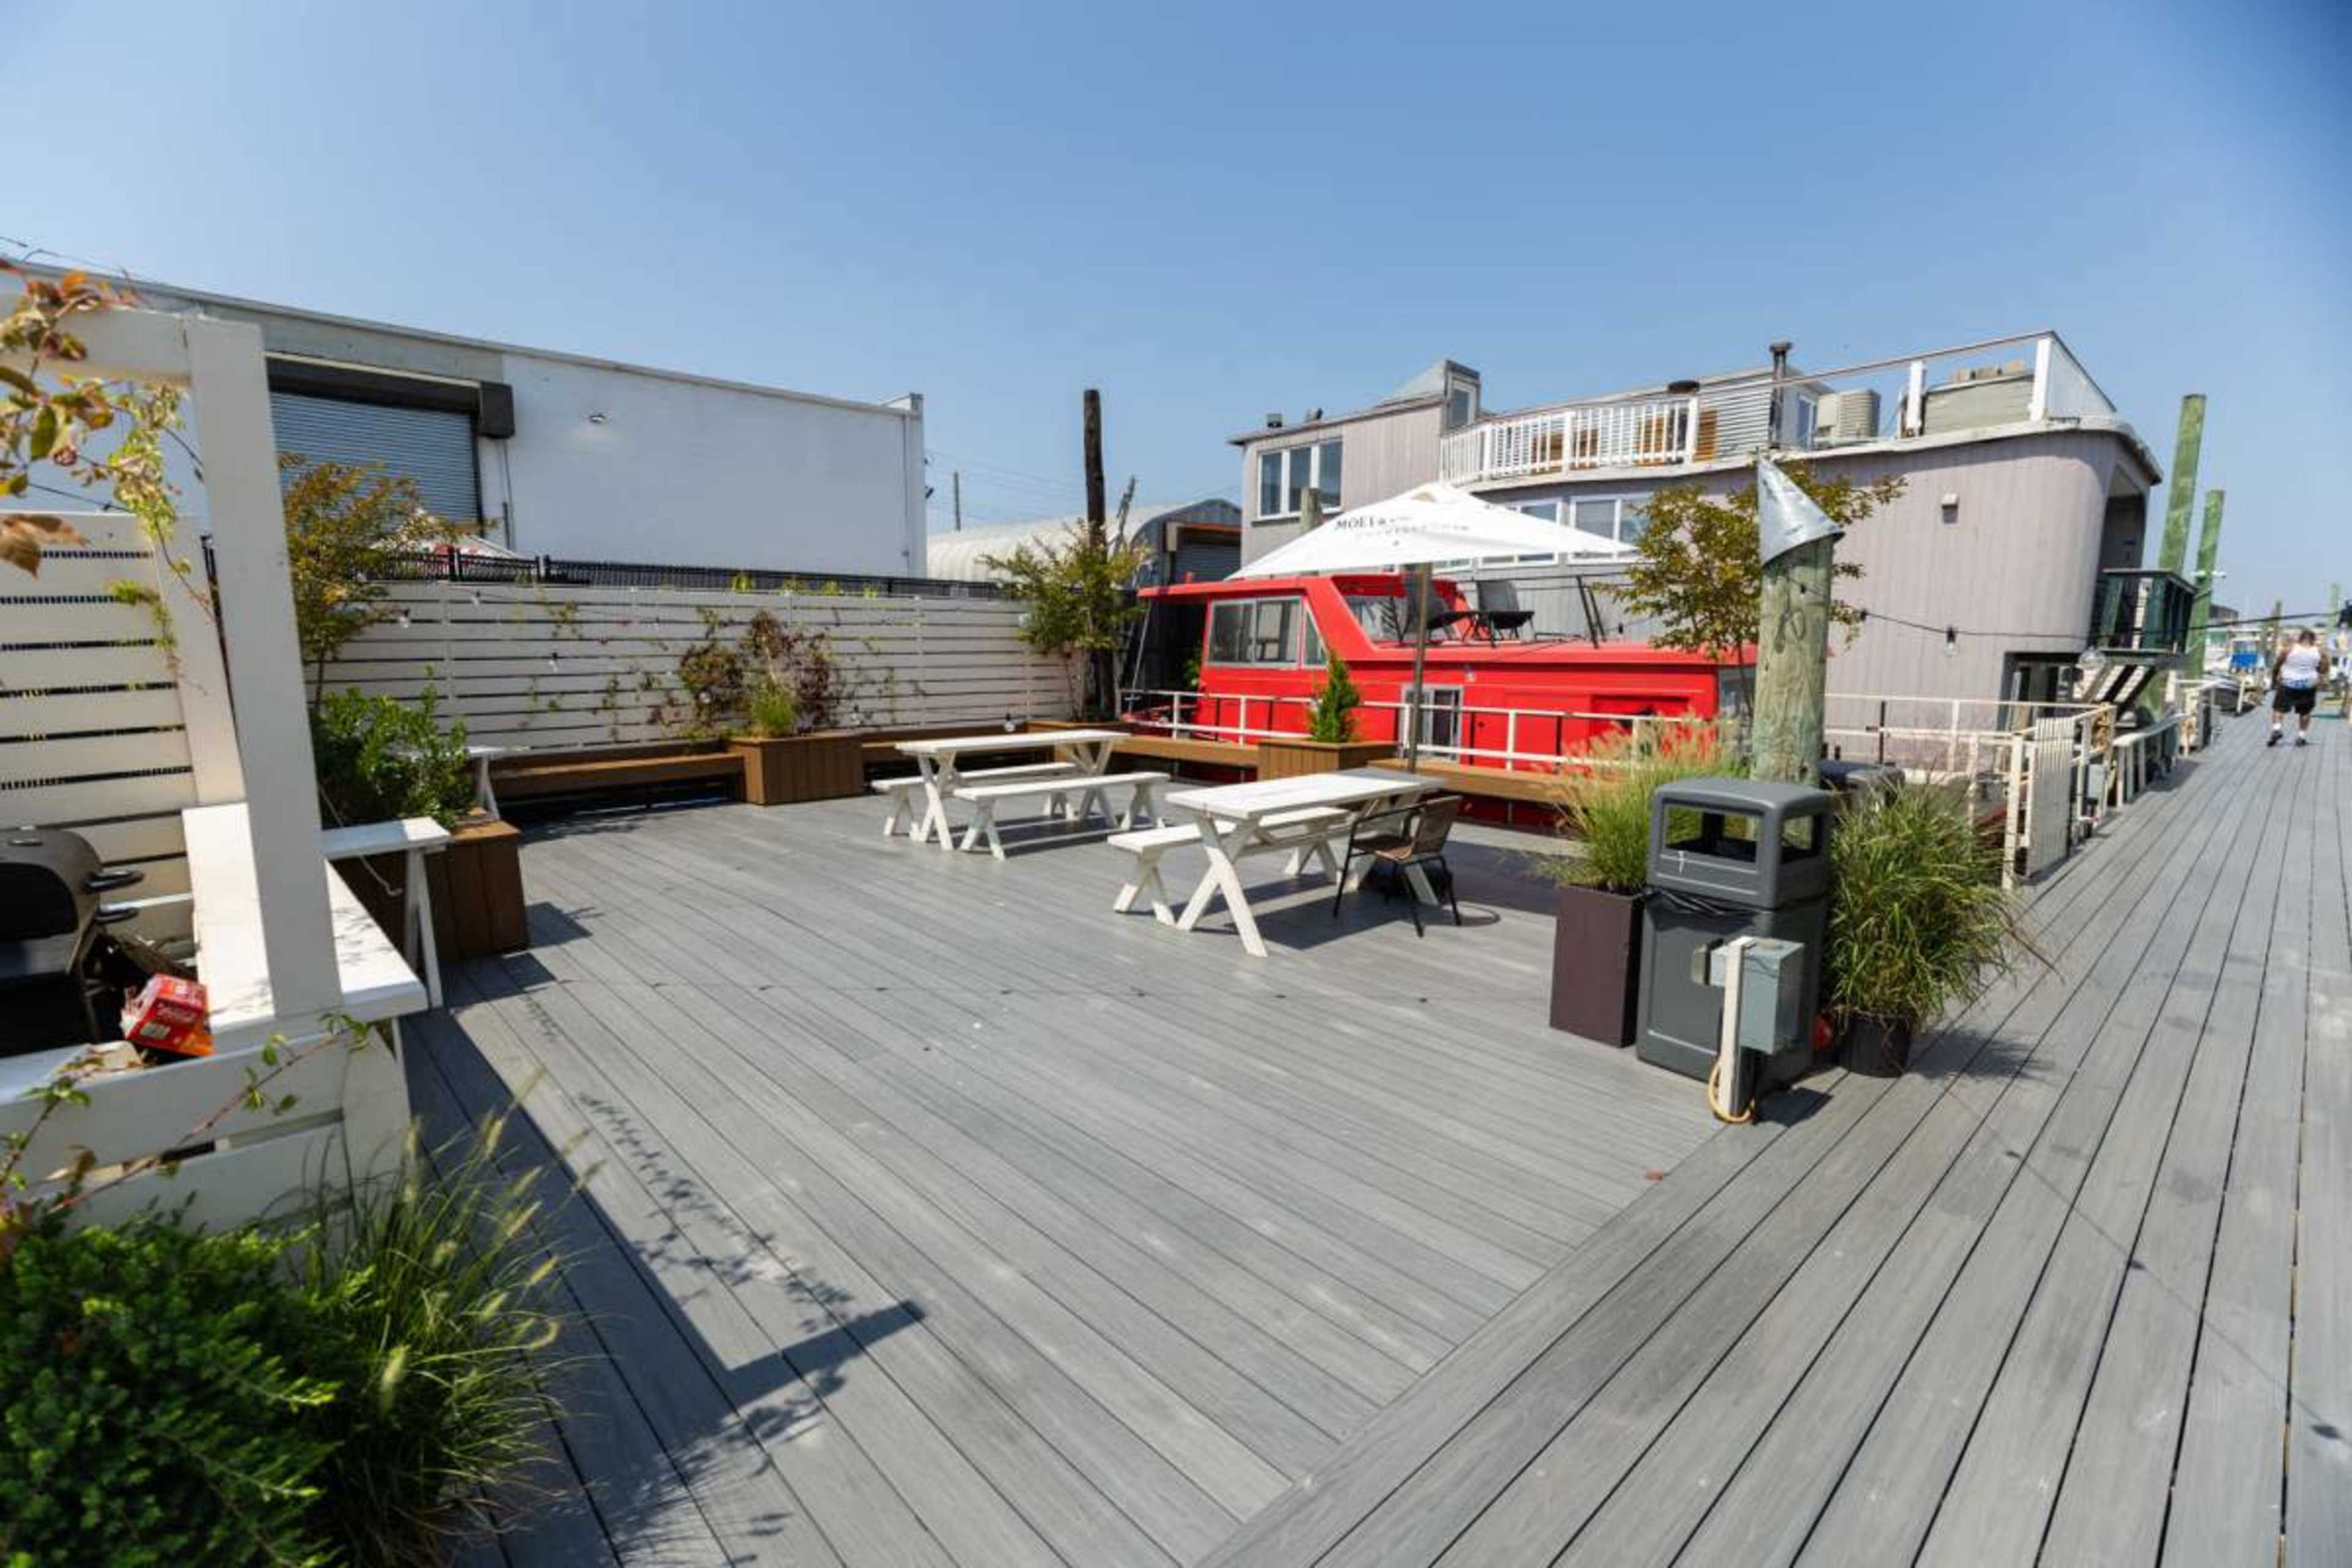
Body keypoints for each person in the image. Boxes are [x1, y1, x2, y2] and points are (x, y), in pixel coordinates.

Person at [2270, 628, 2329, 747]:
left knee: (2279, 709)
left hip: (2288, 683)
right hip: (2308, 685)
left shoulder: (2288, 650)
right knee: (2305, 712)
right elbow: (2324, 669)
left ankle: (2277, 729)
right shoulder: (2320, 652)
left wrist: (2274, 680)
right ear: (2313, 640)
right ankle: (2301, 737)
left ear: (2300, 639)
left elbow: (2277, 666)